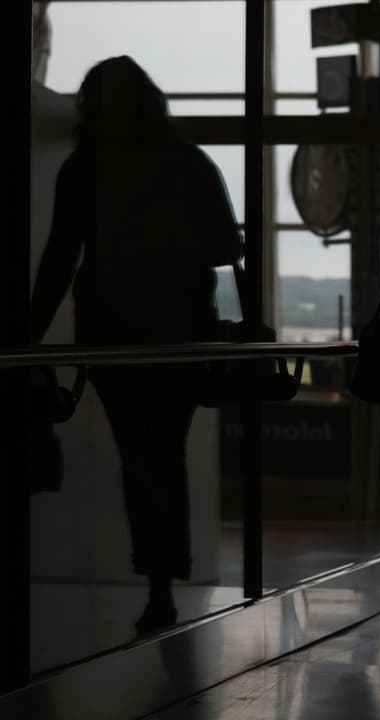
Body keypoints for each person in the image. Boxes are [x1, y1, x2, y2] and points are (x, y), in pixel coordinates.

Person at [29, 56, 243, 634]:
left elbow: (58, 257)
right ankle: (162, 579)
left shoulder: (84, 169)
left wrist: (28, 334)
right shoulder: (187, 164)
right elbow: (226, 246)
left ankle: (158, 579)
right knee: (161, 454)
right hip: (174, 333)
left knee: (139, 456)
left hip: (111, 334)